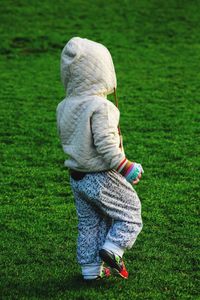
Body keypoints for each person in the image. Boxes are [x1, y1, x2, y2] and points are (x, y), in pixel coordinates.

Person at [56, 37, 143, 280]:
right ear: (103, 70)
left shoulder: (64, 106)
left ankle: (90, 270)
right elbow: (105, 143)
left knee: (89, 223)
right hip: (101, 176)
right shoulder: (101, 106)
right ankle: (114, 249)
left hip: (77, 177)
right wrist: (126, 167)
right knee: (131, 213)